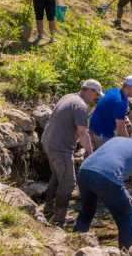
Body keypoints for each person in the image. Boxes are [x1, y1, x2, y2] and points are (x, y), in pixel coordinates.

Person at [73, 131, 132, 251]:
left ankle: (75, 245)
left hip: (84, 171)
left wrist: (125, 197)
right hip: (107, 178)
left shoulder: (115, 140)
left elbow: (110, 163)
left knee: (86, 211)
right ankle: (125, 252)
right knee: (126, 218)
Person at [41, 80, 102, 224]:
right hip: (60, 147)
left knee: (57, 177)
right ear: (89, 91)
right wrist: (91, 153)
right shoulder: (81, 106)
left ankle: (49, 208)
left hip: (48, 141)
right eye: (96, 95)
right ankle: (59, 216)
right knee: (68, 182)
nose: (96, 98)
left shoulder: (68, 97)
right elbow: (82, 132)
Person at [89, 76, 132, 150]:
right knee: (104, 156)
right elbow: (120, 126)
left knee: (94, 154)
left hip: (93, 125)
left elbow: (106, 108)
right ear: (130, 87)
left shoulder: (113, 90)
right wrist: (128, 142)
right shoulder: (119, 101)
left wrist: (122, 117)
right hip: (101, 132)